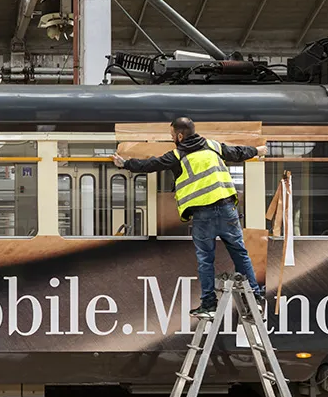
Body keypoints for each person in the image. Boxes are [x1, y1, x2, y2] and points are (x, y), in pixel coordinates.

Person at [112, 117, 267, 317]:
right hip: (227, 210)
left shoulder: (177, 155)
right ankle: (255, 298)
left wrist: (125, 164)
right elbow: (238, 152)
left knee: (206, 261)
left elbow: (151, 164)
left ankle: (209, 305)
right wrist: (257, 151)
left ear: (179, 136)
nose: (171, 139)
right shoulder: (213, 146)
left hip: (203, 215)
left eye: (171, 136)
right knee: (240, 254)